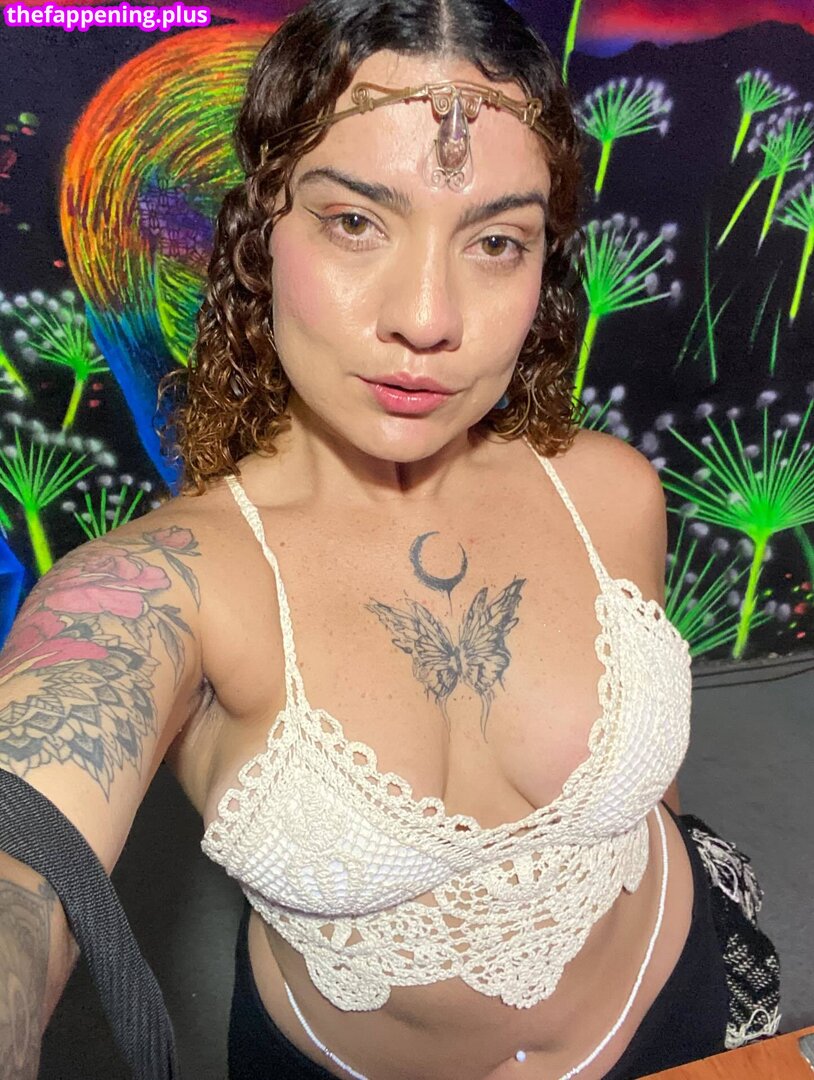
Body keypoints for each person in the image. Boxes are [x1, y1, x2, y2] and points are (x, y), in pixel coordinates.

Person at [0, 1, 780, 1078]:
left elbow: (652, 801)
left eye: (495, 241)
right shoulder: (168, 587)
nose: (426, 316)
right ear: (258, 236)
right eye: (355, 222)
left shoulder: (610, 493)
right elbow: (25, 861)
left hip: (676, 1008)